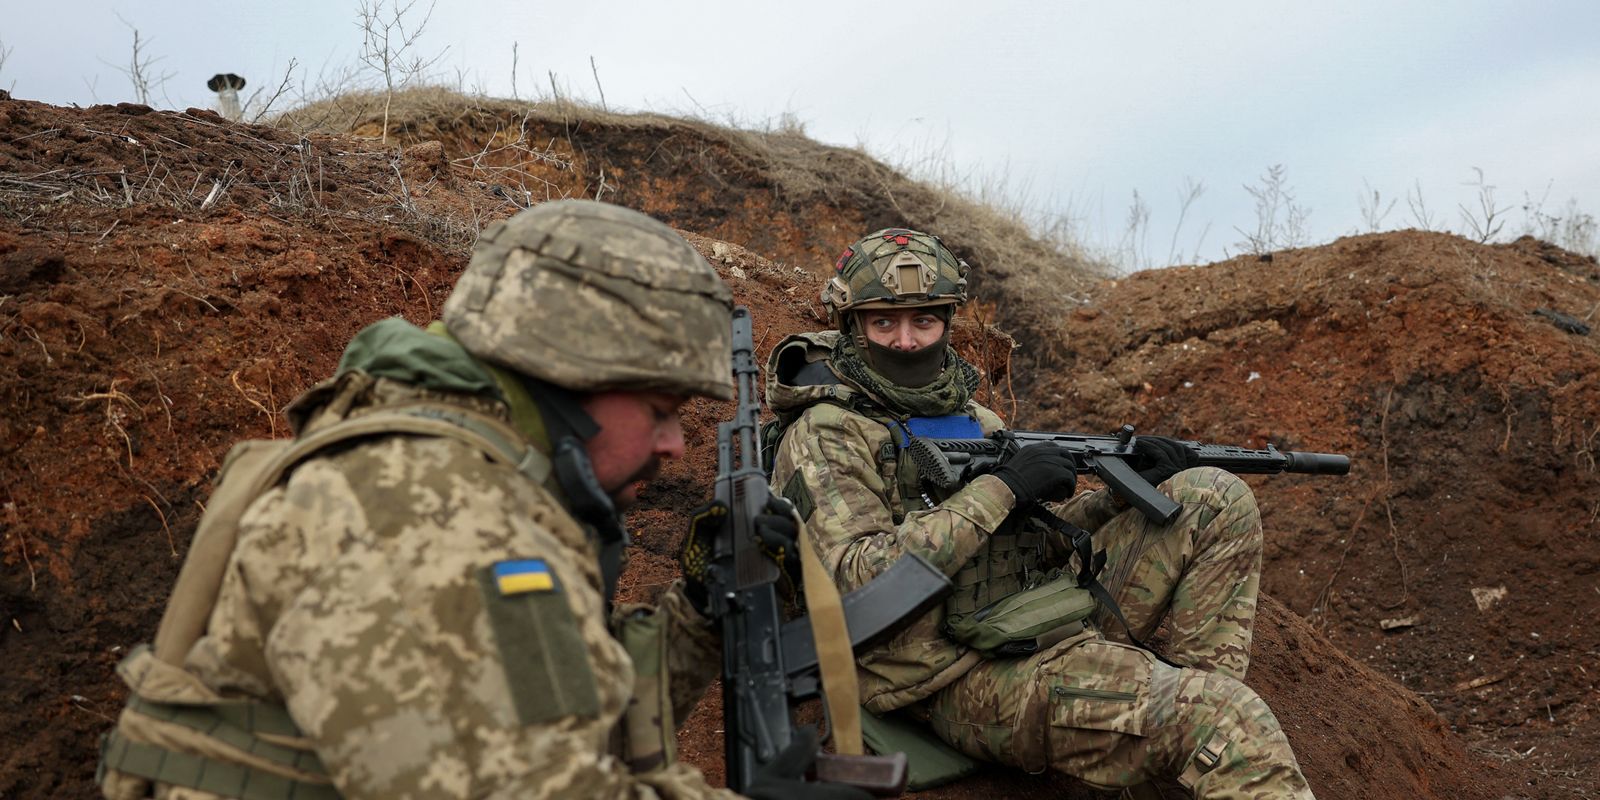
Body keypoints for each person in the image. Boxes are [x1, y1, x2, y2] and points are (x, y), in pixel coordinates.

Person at [98, 199, 858, 800]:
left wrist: (698, 609)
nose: (673, 448)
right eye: (658, 410)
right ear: (561, 375)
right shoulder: (421, 509)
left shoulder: (460, 478)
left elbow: (544, 717)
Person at [765, 228, 1315, 799]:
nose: (905, 341)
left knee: (1212, 497)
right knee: (1227, 717)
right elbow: (858, 581)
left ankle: (1179, 746)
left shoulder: (974, 418)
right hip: (941, 675)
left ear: (947, 323)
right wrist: (1003, 490)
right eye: (885, 322)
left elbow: (1031, 545)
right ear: (854, 324)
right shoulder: (826, 433)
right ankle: (1202, 723)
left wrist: (1119, 496)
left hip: (1027, 620)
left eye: (923, 321)